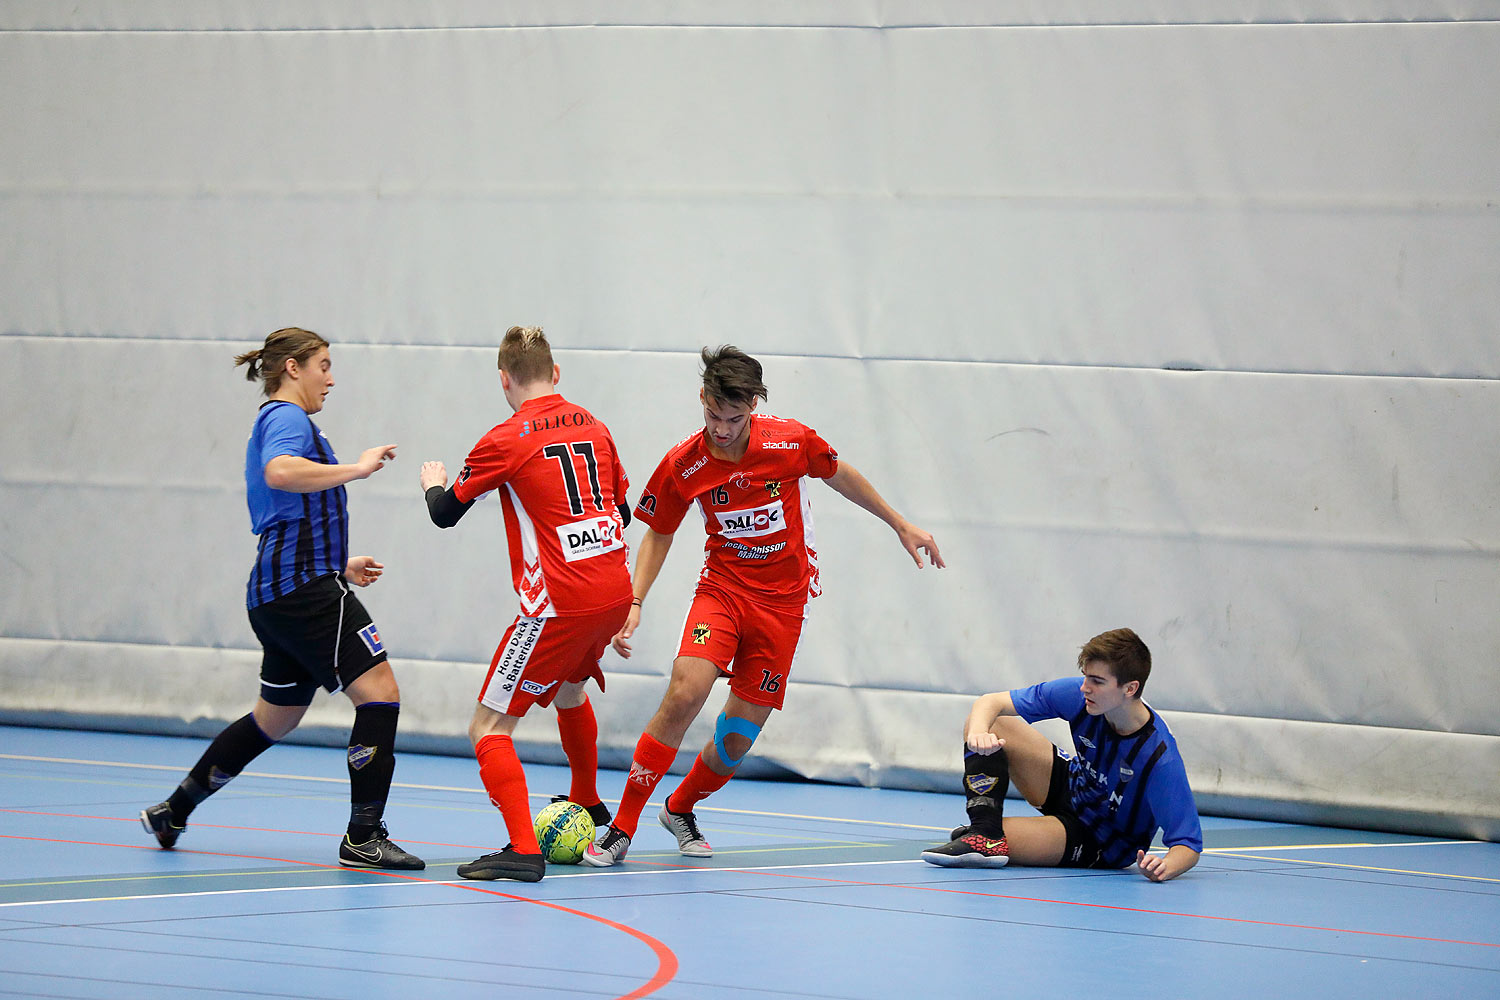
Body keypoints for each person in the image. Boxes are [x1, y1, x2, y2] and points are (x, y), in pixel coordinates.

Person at [581, 345, 945, 867]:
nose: (722, 428)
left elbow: (839, 472)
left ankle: (680, 808)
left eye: (734, 418)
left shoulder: (790, 440)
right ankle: (622, 827)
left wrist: (900, 523)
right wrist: (634, 600)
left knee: (734, 741)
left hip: (784, 604)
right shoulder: (684, 463)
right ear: (701, 398)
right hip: (723, 591)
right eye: (713, 415)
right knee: (686, 690)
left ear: (754, 405)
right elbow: (658, 533)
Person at [141, 327, 423, 870]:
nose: (331, 377)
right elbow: (280, 472)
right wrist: (359, 469)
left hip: (279, 590)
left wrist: (339, 563)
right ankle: (363, 837)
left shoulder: (284, 421)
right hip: (303, 592)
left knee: (275, 719)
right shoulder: (285, 418)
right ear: (292, 368)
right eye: (323, 365)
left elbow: (284, 511)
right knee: (380, 693)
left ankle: (173, 811)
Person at [420, 326, 633, 882]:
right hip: (613, 590)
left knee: (487, 727)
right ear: (556, 373)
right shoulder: (596, 425)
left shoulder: (505, 439)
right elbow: (624, 512)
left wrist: (433, 483)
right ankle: (587, 801)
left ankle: (522, 850)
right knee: (569, 689)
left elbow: (445, 514)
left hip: (558, 602)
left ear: (503, 379)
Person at [920, 627, 1202, 882]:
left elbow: (1188, 844)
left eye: (1097, 681)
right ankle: (985, 835)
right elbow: (989, 702)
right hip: (1073, 787)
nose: (1084, 688)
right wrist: (978, 734)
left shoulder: (1159, 757)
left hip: (1102, 839)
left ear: (1130, 688)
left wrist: (1165, 867)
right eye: (1085, 677)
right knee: (989, 721)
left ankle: (986, 836)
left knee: (962, 836)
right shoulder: (1080, 697)